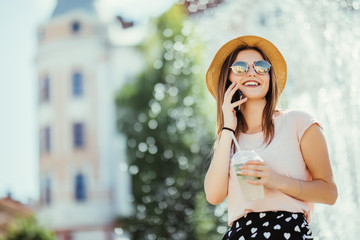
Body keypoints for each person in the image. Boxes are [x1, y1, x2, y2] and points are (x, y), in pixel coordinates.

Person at [204, 35, 338, 240]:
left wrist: (277, 181)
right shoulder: (229, 139)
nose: (251, 72)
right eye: (240, 68)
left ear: (270, 76)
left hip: (288, 232)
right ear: (228, 78)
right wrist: (227, 128)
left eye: (261, 66)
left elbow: (329, 193)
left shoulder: (299, 122)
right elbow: (214, 196)